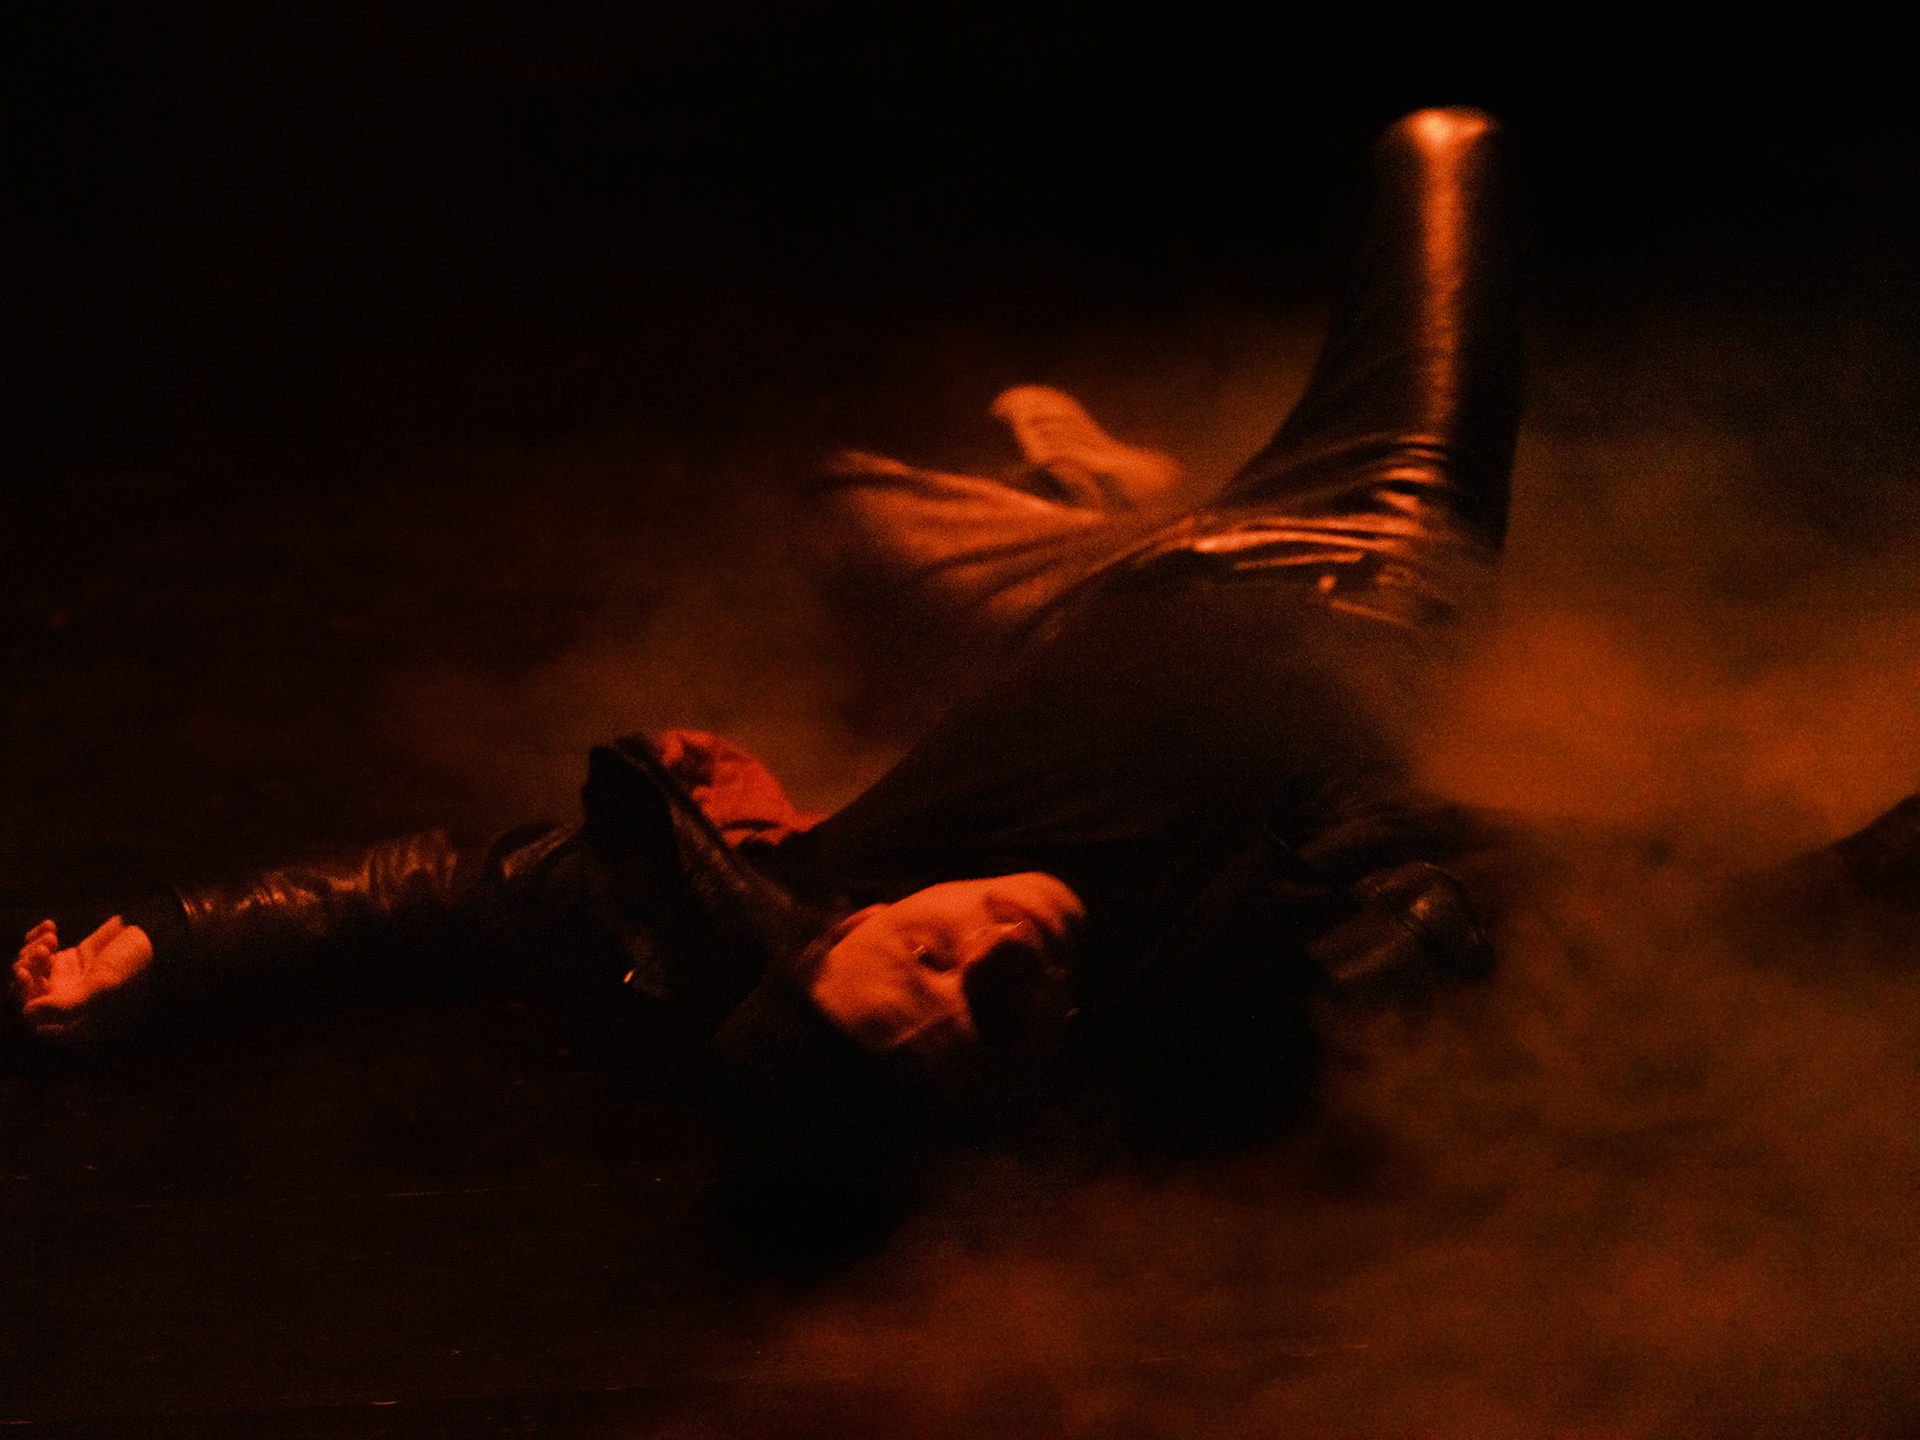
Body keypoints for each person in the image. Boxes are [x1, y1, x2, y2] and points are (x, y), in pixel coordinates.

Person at [32, 106, 1905, 1252]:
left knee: (841, 509)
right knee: (1441, 150)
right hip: (1359, 539)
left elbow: (431, 894)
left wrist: (166, 950)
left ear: (830, 932)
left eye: (921, 956)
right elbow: (1699, 927)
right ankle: (1128, 489)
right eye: (995, 1009)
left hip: (1092, 606)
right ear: (1035, 1083)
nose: (996, 941)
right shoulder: (1256, 1008)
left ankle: (1113, 499)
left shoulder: (712, 926)